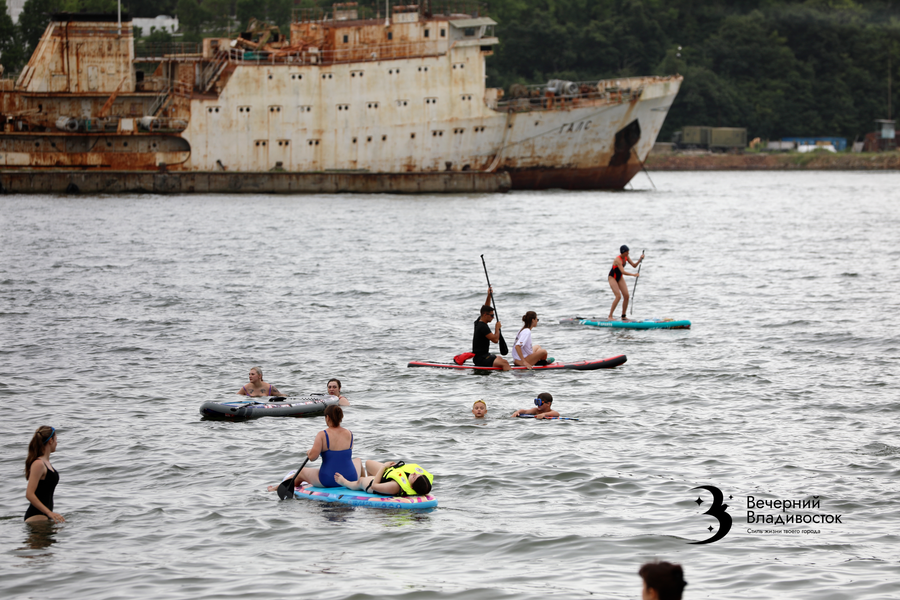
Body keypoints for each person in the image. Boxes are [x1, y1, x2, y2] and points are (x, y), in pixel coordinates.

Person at [268, 405, 361, 492]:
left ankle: (276, 488)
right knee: (358, 460)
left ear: (327, 418)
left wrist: (310, 452)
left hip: (328, 480)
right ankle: (361, 485)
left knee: (302, 472)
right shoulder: (349, 433)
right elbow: (341, 455)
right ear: (341, 417)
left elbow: (312, 457)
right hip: (350, 477)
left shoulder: (322, 434)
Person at [24, 426, 64, 524]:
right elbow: (29, 494)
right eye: (56, 440)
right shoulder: (38, 464)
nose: (57, 443)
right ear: (50, 440)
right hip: (36, 517)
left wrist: (49, 514)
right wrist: (49, 513)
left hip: (44, 517)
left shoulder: (46, 463)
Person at [335, 460, 433, 497]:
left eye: (415, 477)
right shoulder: (411, 477)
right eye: (417, 474)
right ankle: (371, 478)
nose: (414, 473)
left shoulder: (396, 486)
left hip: (373, 486)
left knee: (360, 481)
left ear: (411, 487)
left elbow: (374, 486)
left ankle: (346, 483)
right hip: (386, 478)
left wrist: (384, 466)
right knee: (368, 463)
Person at [473, 286, 510, 371]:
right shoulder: (483, 327)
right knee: (504, 363)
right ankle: (511, 380)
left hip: (483, 356)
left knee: (500, 358)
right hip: (481, 359)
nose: (493, 317)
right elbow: (495, 340)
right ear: (485, 315)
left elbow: (485, 308)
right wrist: (497, 328)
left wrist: (489, 296)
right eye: (492, 315)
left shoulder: (478, 322)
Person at [607, 245, 644, 320]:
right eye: (627, 252)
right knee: (618, 296)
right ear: (623, 252)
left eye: (628, 252)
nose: (628, 253)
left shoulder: (626, 257)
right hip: (612, 277)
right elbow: (623, 271)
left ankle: (623, 316)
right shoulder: (618, 259)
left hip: (619, 277)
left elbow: (634, 265)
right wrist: (633, 275)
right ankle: (610, 316)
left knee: (626, 296)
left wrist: (640, 259)